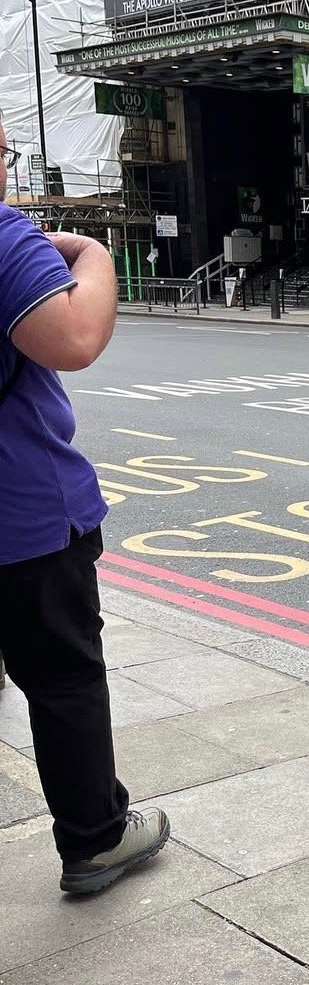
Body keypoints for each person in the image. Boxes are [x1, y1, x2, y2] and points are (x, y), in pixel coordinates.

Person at [0, 126, 169, 895]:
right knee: (64, 676)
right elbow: (72, 336)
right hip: (25, 514)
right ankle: (97, 839)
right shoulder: (4, 238)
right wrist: (93, 254)